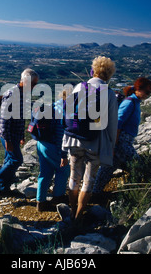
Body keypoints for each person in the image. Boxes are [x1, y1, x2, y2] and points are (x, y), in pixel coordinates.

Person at [62, 56, 118, 223]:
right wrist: (111, 144)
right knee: (88, 181)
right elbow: (112, 124)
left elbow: (69, 112)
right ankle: (79, 215)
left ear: (93, 70)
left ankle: (72, 213)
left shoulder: (80, 86)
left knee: (74, 178)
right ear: (108, 75)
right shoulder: (109, 94)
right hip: (95, 141)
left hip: (74, 139)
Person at [92, 78, 151, 196]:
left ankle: (95, 192)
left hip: (123, 140)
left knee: (108, 168)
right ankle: (139, 190)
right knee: (137, 164)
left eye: (150, 93)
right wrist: (113, 145)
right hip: (122, 141)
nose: (148, 95)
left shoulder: (135, 102)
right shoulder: (130, 102)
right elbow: (118, 124)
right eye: (147, 92)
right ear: (138, 89)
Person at [0, 69, 39, 196]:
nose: (35, 87)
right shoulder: (12, 94)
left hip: (14, 134)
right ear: (25, 81)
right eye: (33, 84)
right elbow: (4, 119)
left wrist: (21, 136)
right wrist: (8, 140)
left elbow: (20, 117)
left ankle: (5, 189)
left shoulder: (23, 93)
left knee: (9, 160)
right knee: (16, 160)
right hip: (8, 134)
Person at [35, 91, 71, 212]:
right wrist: (63, 154)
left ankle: (41, 202)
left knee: (45, 172)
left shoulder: (55, 105)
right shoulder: (64, 111)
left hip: (41, 142)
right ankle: (58, 197)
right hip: (51, 145)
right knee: (63, 169)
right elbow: (60, 135)